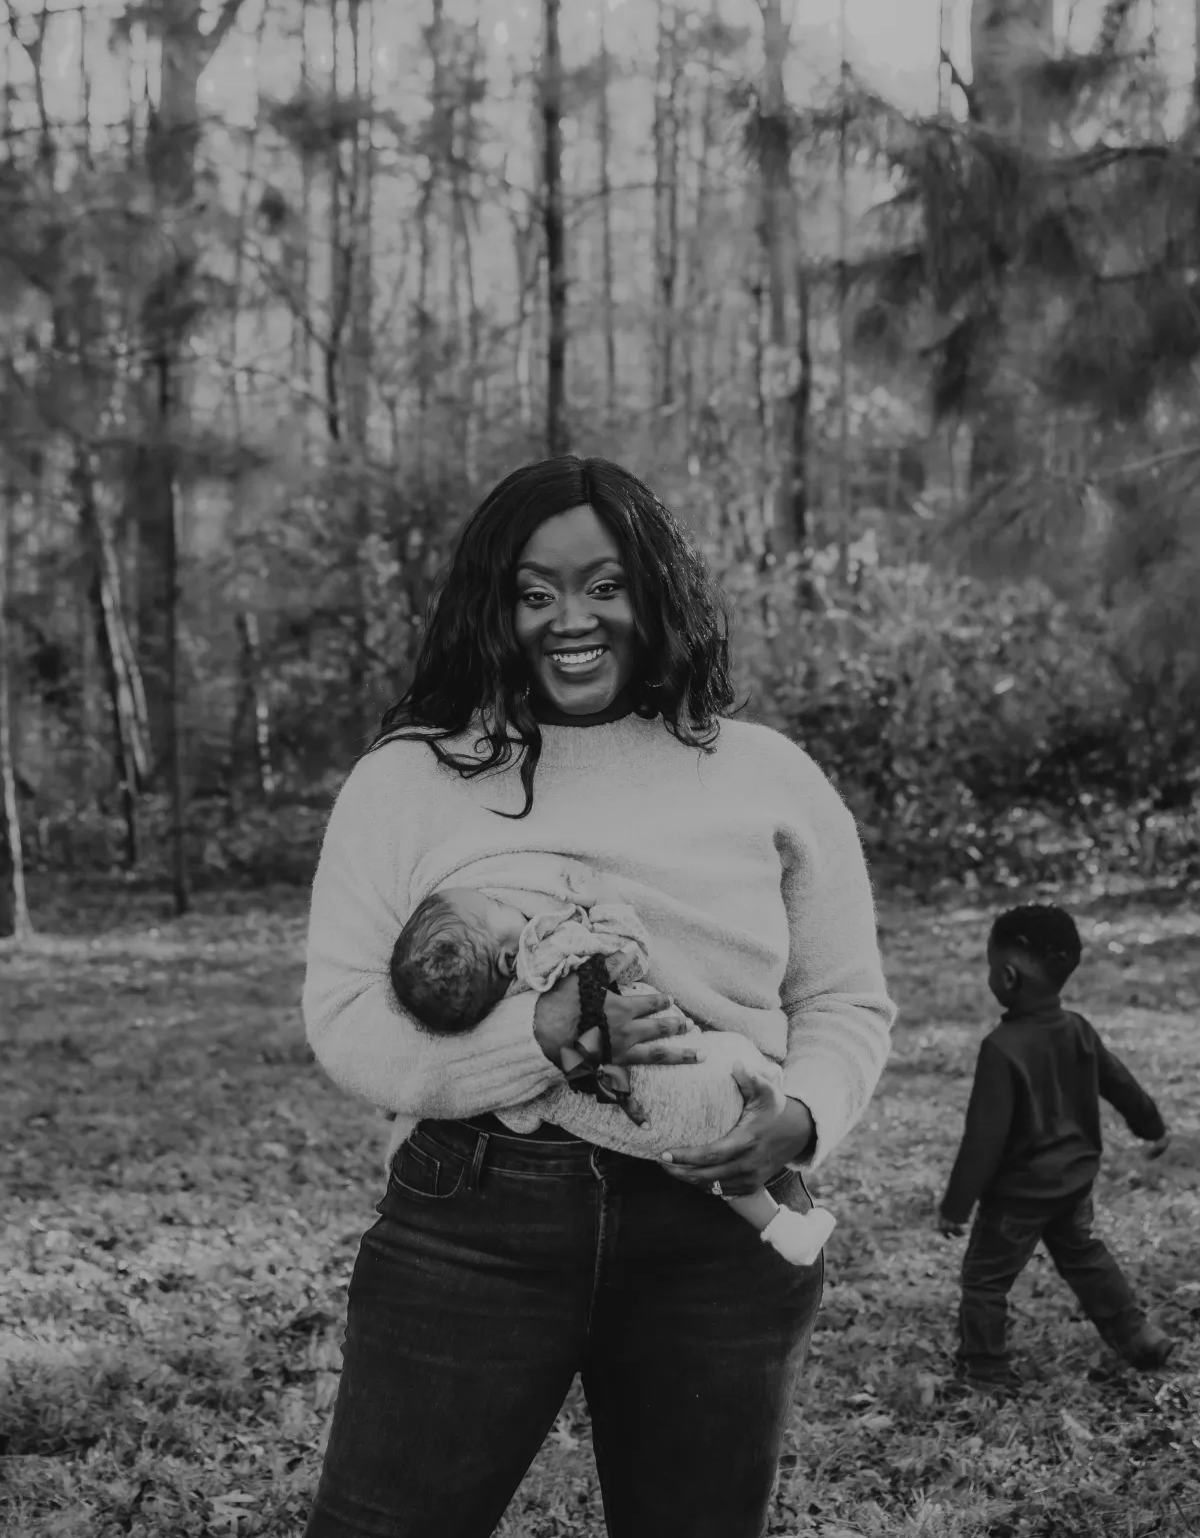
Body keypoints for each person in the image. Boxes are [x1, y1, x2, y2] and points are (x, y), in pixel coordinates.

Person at [302, 454, 895, 1538]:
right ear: (494, 607)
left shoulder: (769, 775)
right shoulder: (410, 778)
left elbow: (846, 1000)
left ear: (658, 591)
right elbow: (345, 1020)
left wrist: (802, 1120)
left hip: (716, 1234)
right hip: (475, 1216)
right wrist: (543, 1033)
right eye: (533, 592)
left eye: (604, 584)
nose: (569, 619)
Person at [388, 872, 837, 1266]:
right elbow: (624, 953)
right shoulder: (546, 955)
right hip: (712, 1074)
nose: (509, 903)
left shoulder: (509, 1066)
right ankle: (786, 1226)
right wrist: (607, 903)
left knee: (708, 1162)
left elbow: (519, 1116)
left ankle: (782, 1228)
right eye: (498, 906)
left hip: (647, 1126)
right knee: (728, 1122)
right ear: (508, 958)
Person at [937, 903, 1174, 1392]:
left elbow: (983, 1140)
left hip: (1017, 1199)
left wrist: (956, 1206)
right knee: (1085, 1257)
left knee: (984, 1282)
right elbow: (1121, 1084)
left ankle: (983, 1373)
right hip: (1072, 1184)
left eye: (988, 965)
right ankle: (1138, 1334)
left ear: (1006, 976)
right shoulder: (1078, 1029)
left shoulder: (1001, 1048)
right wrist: (1150, 1126)